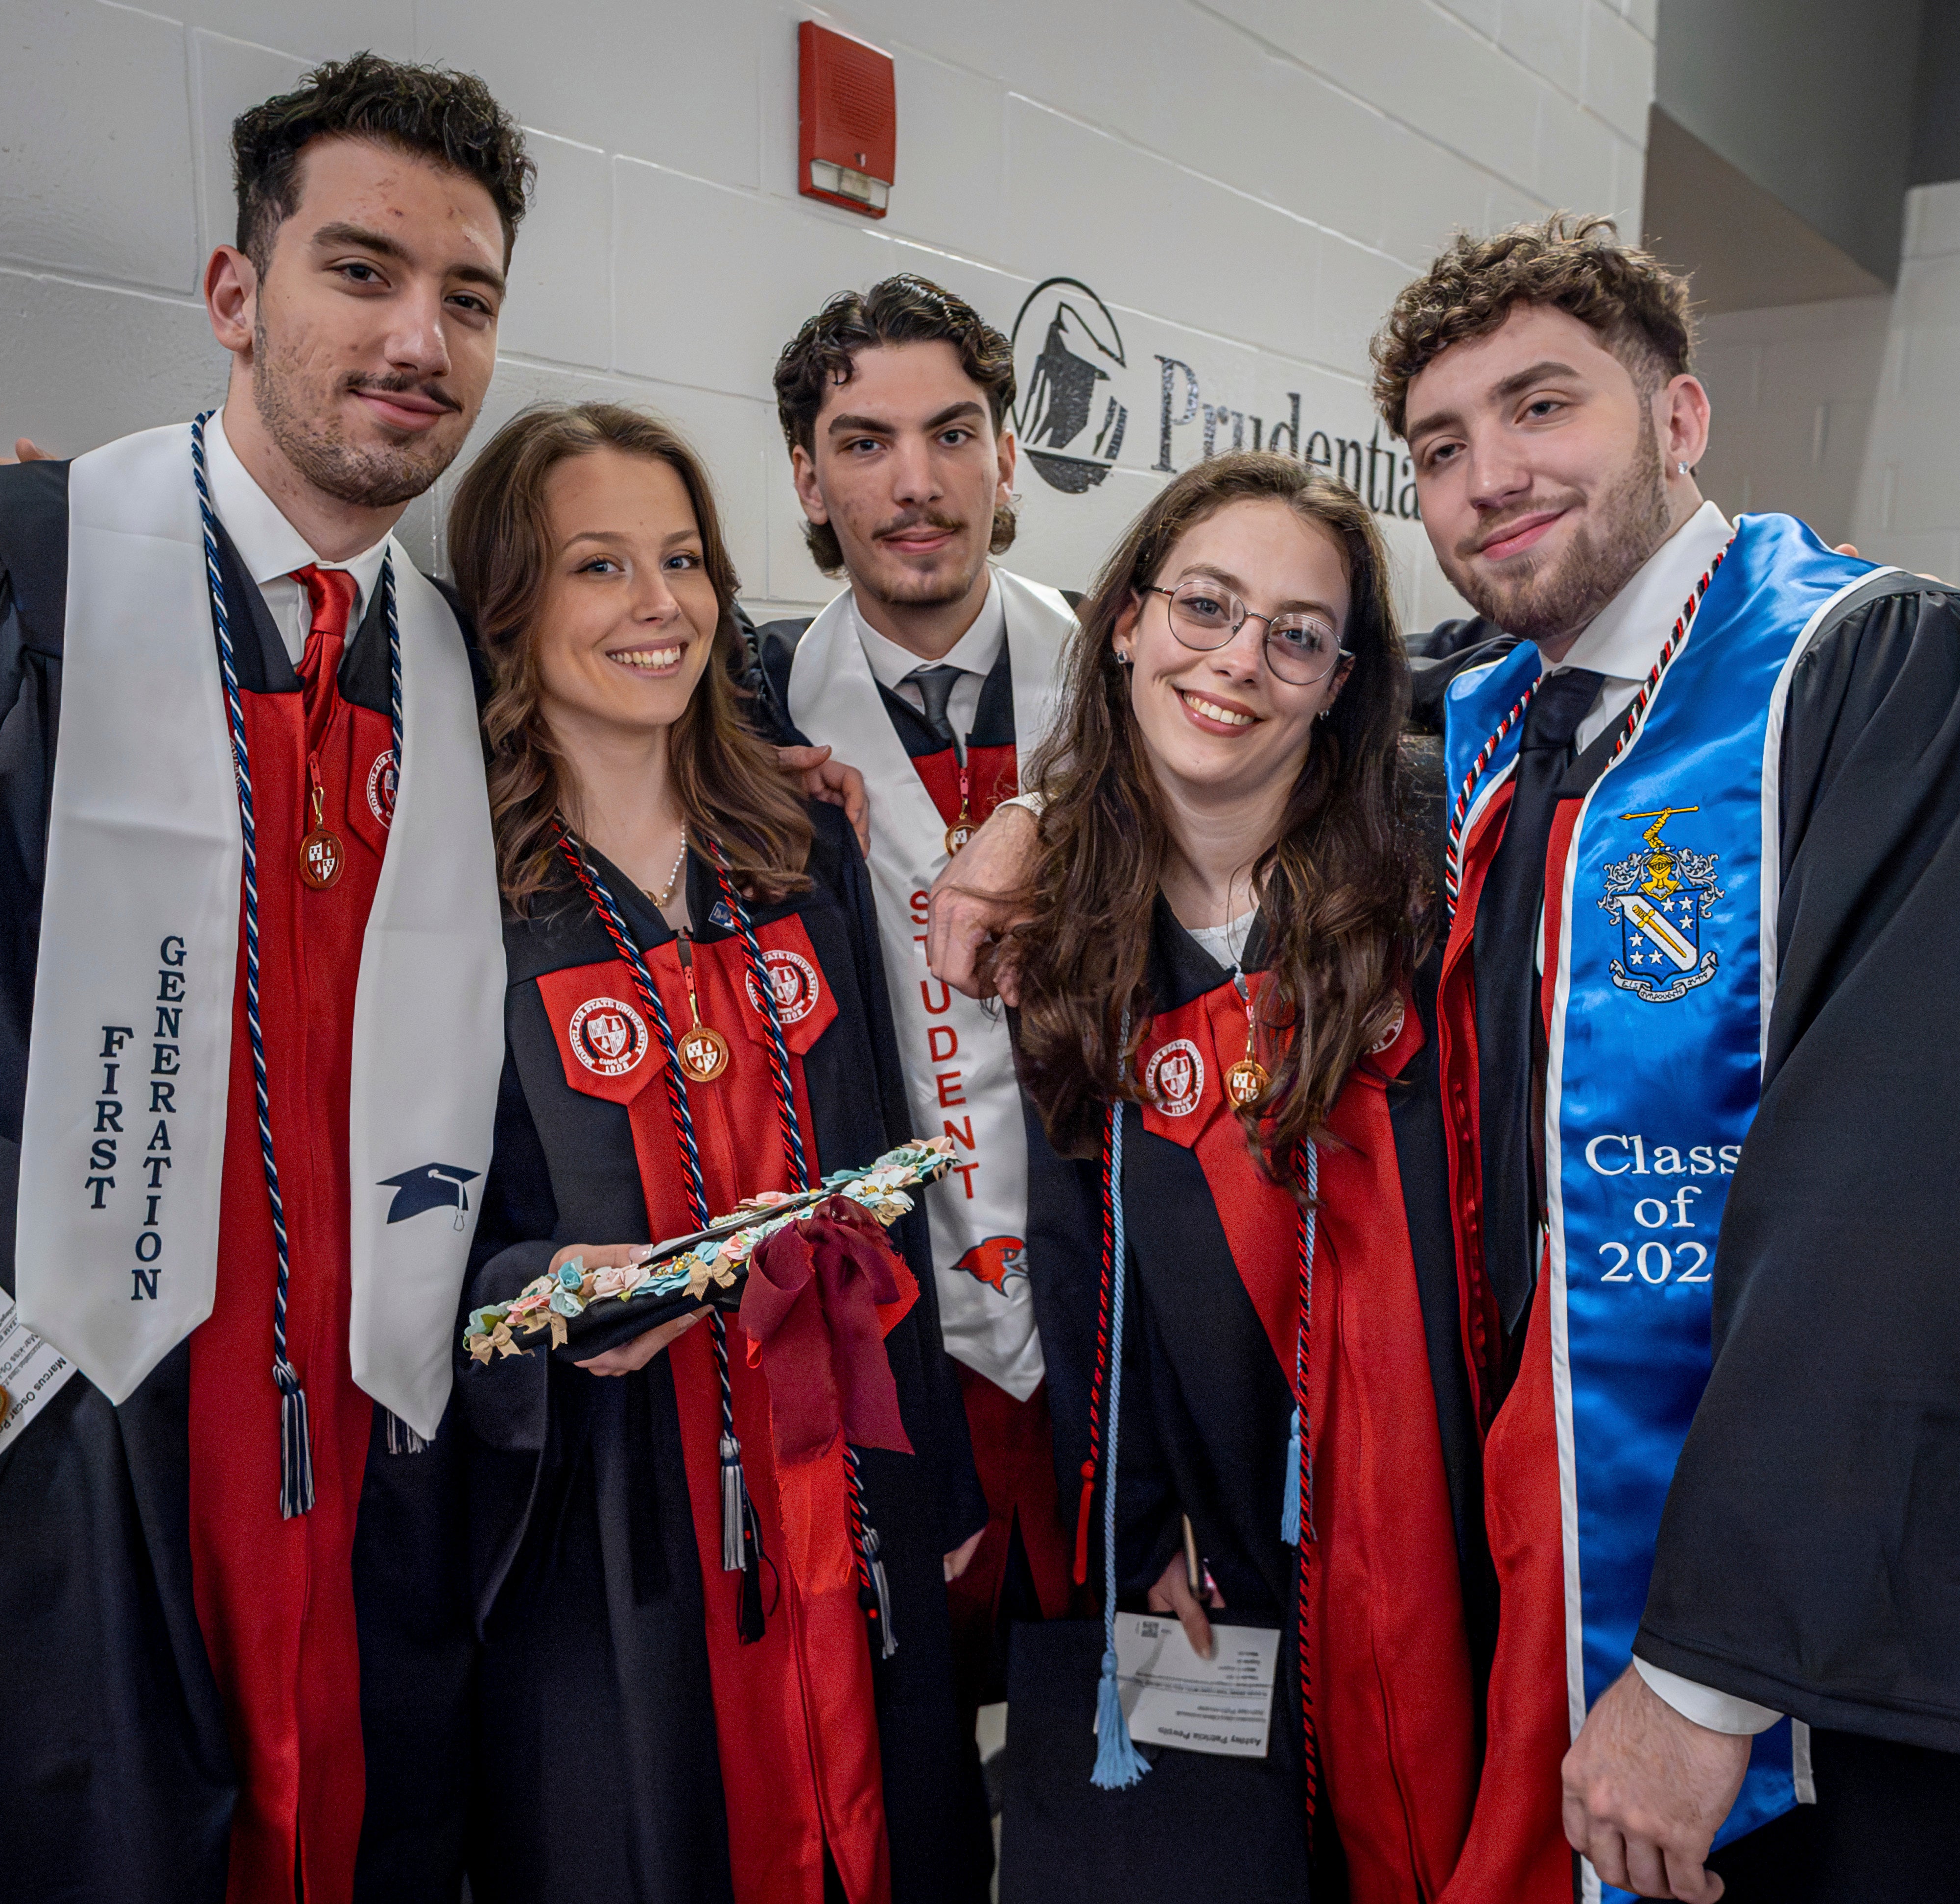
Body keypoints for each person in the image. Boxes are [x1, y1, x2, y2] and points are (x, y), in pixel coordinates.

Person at [931, 214, 1960, 1904]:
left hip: (1808, 1673)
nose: (1490, 473)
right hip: (1533, 1627)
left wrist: (1708, 1668)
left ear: (1677, 417)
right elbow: (1231, 711)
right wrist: (1032, 815)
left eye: (1541, 407)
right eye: (1442, 445)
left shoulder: (1892, 680)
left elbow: (1920, 1217)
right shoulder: (1503, 724)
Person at [0, 55, 530, 1902]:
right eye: (360, 269)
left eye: (467, 297)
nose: (419, 336)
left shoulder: (452, 679)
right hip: (40, 1479)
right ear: (236, 293)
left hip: (354, 1493)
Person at [447, 402, 990, 1904]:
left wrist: (934, 1485)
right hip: (617, 1515)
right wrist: (536, 1287)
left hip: (851, 1474)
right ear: (511, 605)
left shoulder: (796, 849)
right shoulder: (458, 892)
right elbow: (418, 1238)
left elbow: (892, 1166)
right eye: (599, 567)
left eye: (683, 560)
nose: (660, 606)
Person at [993, 452, 1481, 1901]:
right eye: (1206, 606)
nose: (1238, 662)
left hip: (1432, 1519)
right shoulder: (1073, 930)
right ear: (1128, 619)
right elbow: (1085, 1263)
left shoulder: (1435, 888)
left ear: (1343, 681)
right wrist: (1142, 1520)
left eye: (1296, 635)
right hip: (1217, 1528)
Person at [750, 276, 1078, 1732]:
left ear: (1010, 455)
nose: (918, 483)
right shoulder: (752, 715)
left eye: (953, 433)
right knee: (922, 1758)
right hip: (903, 1339)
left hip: (1110, 1318)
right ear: (808, 480)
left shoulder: (1136, 684)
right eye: (865, 442)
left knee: (1132, 1752)